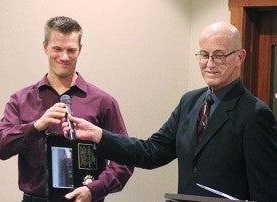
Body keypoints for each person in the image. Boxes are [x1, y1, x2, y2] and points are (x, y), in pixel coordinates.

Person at [62, 22, 277, 202]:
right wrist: (99, 136)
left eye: (219, 56)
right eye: (204, 54)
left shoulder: (255, 114)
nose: (209, 64)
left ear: (240, 57)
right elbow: (151, 151)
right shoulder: (190, 102)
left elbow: (266, 192)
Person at [0, 16, 133, 202]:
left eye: (71, 50)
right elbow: (0, 147)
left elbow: (125, 158)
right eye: (57, 49)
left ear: (80, 49)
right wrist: (35, 127)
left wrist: (95, 189)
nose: (64, 57)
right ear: (45, 47)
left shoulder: (104, 101)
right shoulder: (20, 100)